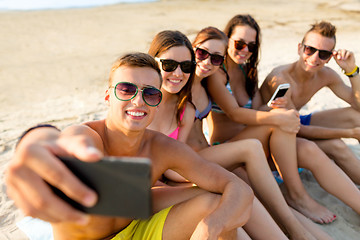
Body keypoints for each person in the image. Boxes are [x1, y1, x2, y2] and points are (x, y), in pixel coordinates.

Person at [5, 52, 255, 240]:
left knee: (216, 203)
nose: (138, 101)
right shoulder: (88, 137)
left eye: (150, 94)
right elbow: (62, 142)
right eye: (126, 89)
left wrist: (212, 226)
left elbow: (237, 188)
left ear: (157, 101)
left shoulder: (161, 147)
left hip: (135, 230)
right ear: (108, 96)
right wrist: (36, 138)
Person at [148, 28, 331, 239]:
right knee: (237, 181)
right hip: (170, 181)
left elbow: (177, 156)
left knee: (243, 187)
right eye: (202, 54)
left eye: (217, 58)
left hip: (189, 166)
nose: (179, 73)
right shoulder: (145, 105)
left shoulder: (186, 106)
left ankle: (295, 223)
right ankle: (294, 220)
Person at [205, 14, 349, 224]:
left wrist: (271, 108)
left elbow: (255, 111)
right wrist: (276, 116)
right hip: (227, 146)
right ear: (227, 40)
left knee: (315, 148)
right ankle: (297, 195)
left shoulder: (247, 70)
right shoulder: (217, 73)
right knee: (281, 121)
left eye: (251, 46)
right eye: (239, 43)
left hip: (253, 141)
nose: (245, 50)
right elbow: (235, 113)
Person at [260, 21, 360, 185]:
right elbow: (299, 129)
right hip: (276, 137)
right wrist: (351, 133)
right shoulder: (281, 79)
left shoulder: (326, 75)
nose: (315, 58)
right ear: (300, 48)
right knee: (337, 145)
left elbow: (358, 105)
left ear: (329, 57)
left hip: (296, 121)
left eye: (323, 54)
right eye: (310, 49)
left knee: (356, 117)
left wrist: (352, 71)